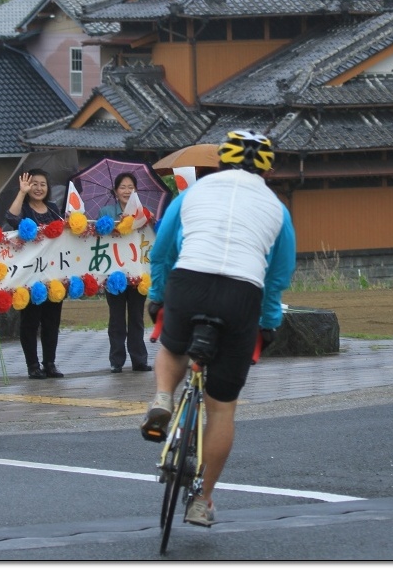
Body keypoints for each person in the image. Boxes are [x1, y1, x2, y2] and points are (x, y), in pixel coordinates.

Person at [141, 130, 297, 526]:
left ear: (220, 160)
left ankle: (162, 397)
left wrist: (159, 296)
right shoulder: (277, 209)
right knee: (222, 407)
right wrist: (268, 324)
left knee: (174, 349)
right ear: (269, 170)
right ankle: (202, 499)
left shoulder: (193, 193)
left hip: (190, 280)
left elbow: (162, 251)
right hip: (241, 293)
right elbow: (278, 276)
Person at [5, 169, 66, 379]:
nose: (39, 188)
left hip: (53, 274)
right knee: (30, 322)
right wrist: (21, 193)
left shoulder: (53, 208)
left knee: (52, 321)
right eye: (35, 184)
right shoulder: (23, 208)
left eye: (43, 184)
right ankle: (32, 365)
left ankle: (49, 362)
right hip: (30, 277)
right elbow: (11, 219)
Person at [98, 172, 153, 374]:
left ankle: (139, 360)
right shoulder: (106, 211)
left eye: (131, 187)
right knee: (117, 318)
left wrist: (148, 220)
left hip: (137, 273)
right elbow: (99, 234)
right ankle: (117, 360)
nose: (127, 191)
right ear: (115, 191)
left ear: (136, 191)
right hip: (114, 274)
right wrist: (118, 223)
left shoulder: (144, 212)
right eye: (123, 187)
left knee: (137, 317)